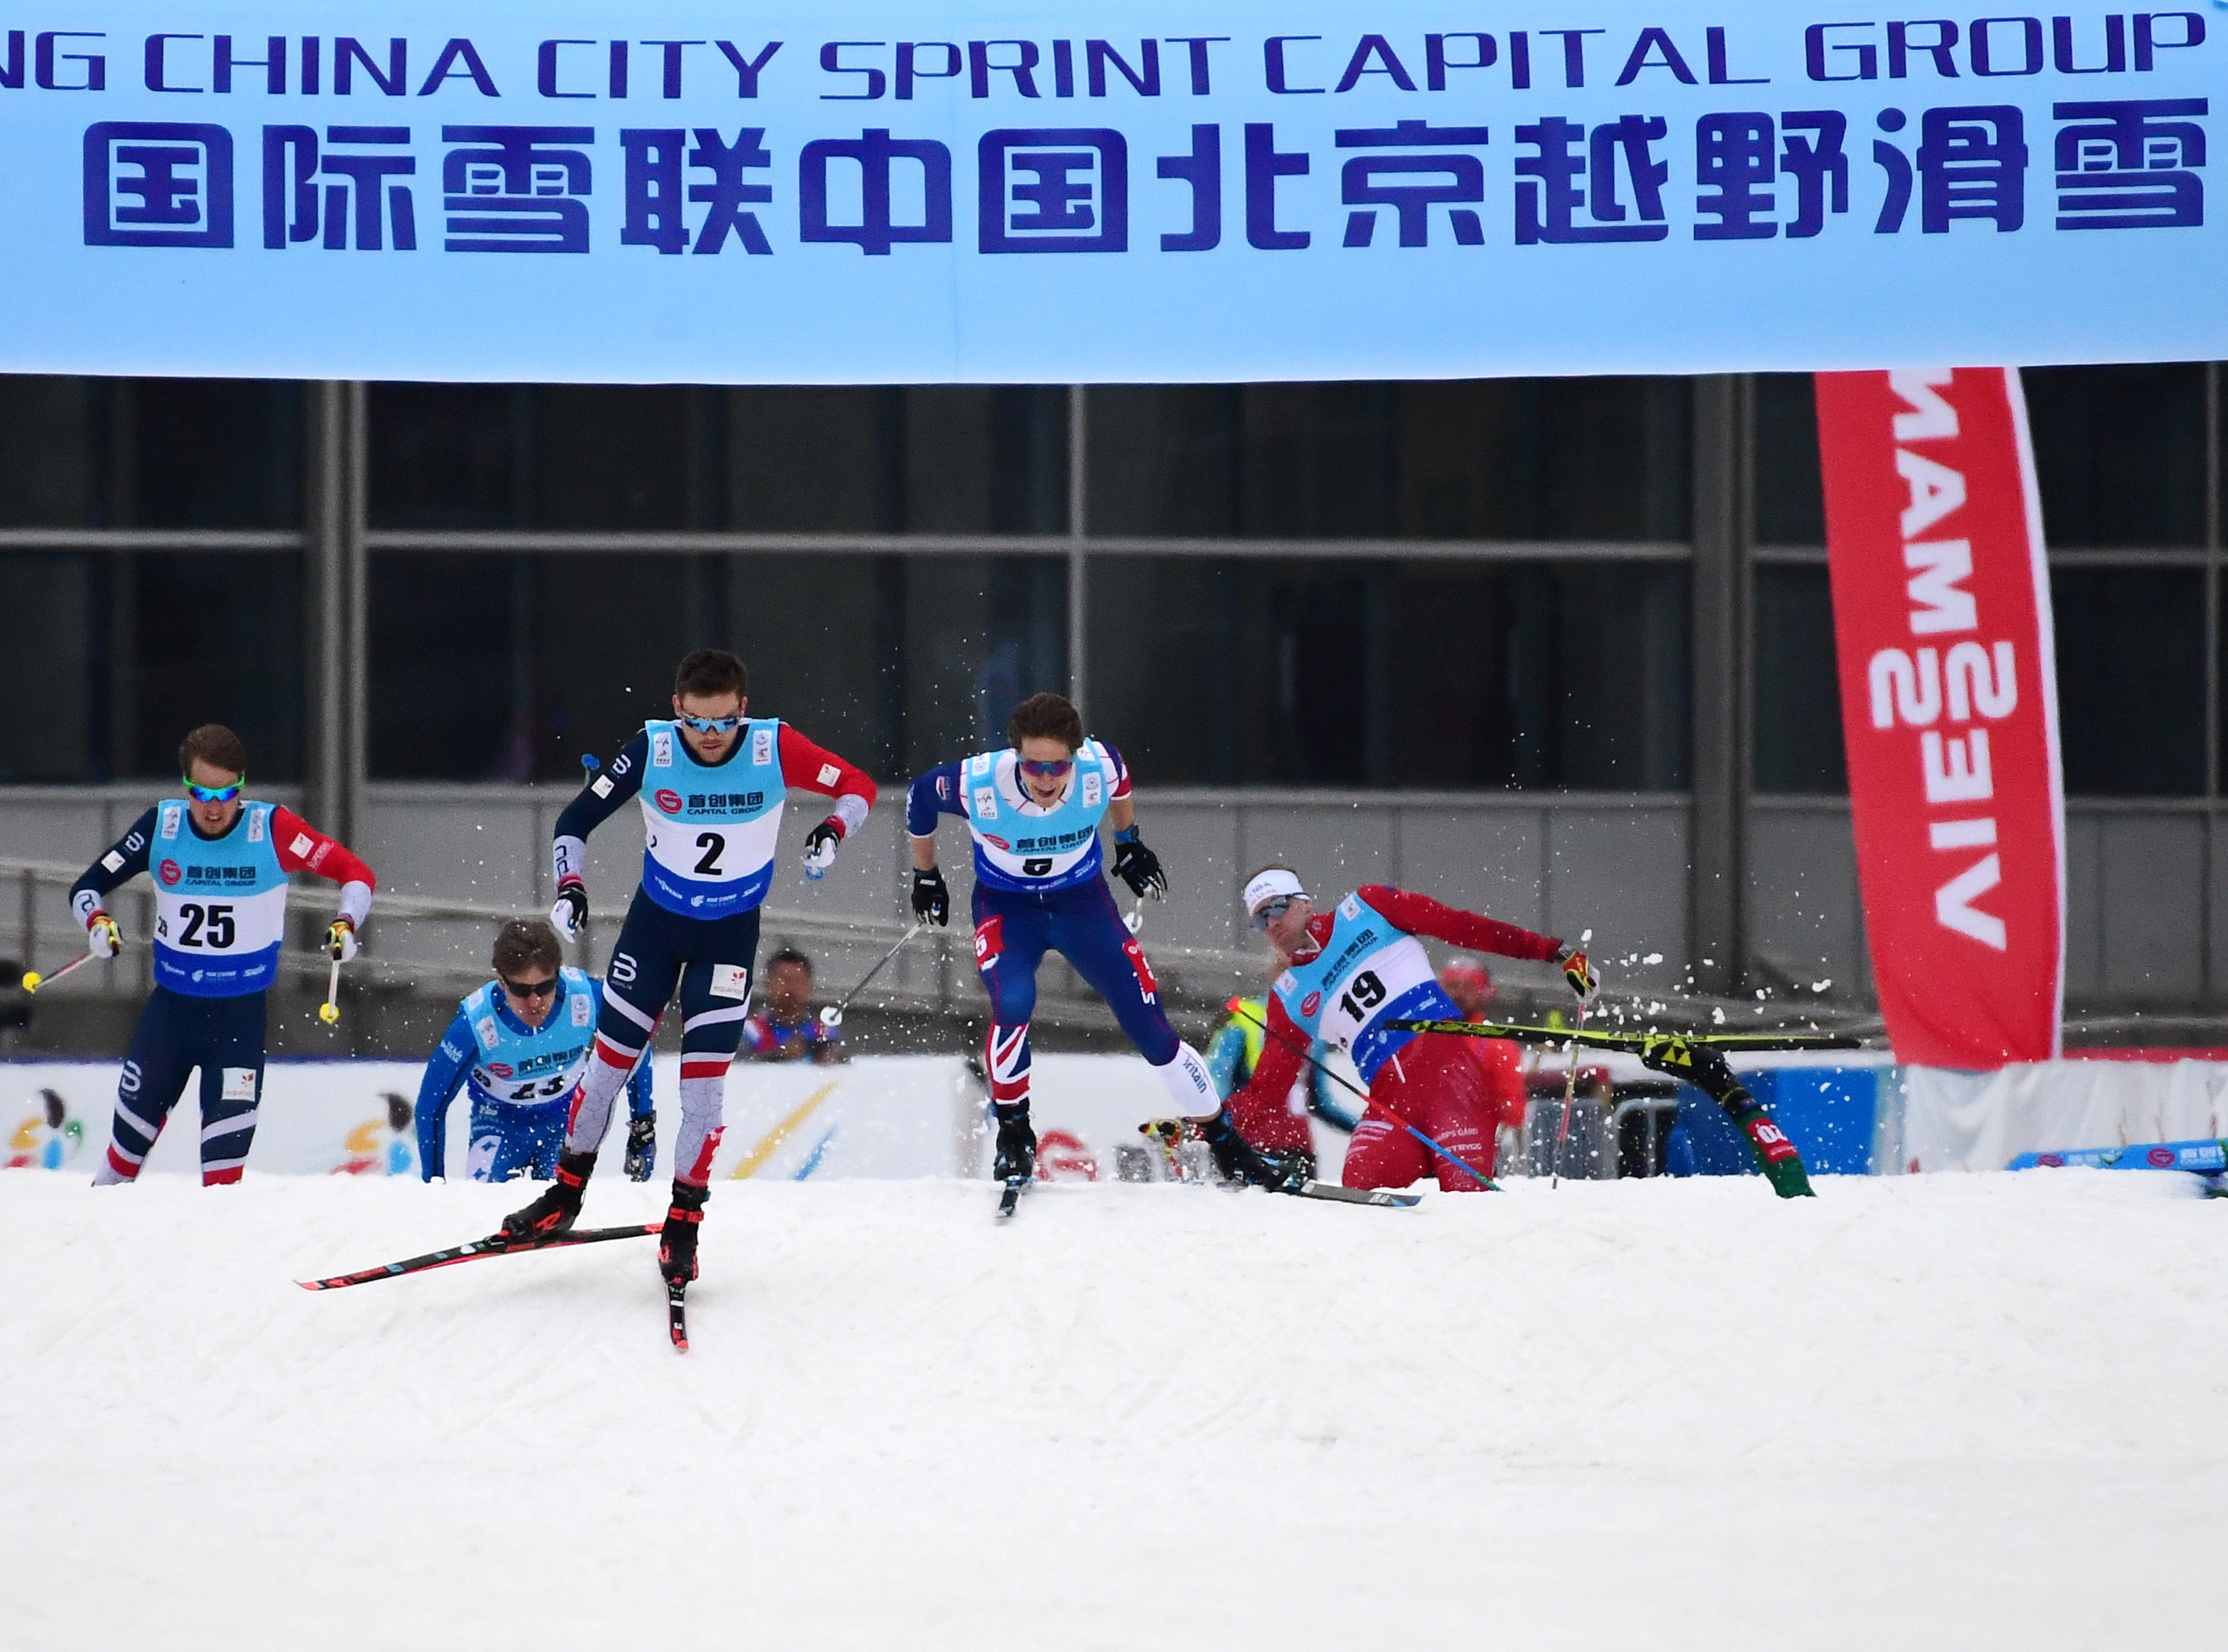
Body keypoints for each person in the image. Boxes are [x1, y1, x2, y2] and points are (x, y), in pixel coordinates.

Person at [499, 649, 876, 1287]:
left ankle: (683, 1226)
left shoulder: (773, 747)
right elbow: (575, 819)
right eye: (697, 721)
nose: (709, 735)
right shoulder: (651, 748)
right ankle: (562, 1199)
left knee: (703, 1094)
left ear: (743, 711)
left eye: (723, 722)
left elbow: (858, 786)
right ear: (677, 709)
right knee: (607, 1069)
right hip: (654, 931)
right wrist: (570, 886)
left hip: (727, 941)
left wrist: (833, 830)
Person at [906, 691, 1221, 1186]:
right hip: (1008, 909)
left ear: (1075, 757)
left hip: (1082, 905)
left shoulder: (1099, 765)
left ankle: (1227, 1144)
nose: (1047, 780)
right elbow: (920, 798)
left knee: (1151, 1027)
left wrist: (1129, 841)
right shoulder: (977, 781)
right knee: (1013, 1001)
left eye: (1058, 767)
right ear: (1016, 756)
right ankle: (1014, 1136)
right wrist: (926, 875)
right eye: (1035, 767)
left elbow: (1121, 783)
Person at [67, 723, 375, 1185]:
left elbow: (356, 872)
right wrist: (97, 922)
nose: (213, 808)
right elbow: (86, 887)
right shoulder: (162, 826)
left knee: (222, 1184)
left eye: (226, 794)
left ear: (241, 787)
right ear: (185, 787)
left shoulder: (273, 829)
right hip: (170, 1018)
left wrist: (346, 922)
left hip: (238, 1024)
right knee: (118, 1166)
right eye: (201, 793)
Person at [1223, 865, 1595, 1193]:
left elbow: (1463, 927)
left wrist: (1553, 951)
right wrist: (1209, 1124)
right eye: (1259, 920)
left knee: (1467, 1204)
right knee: (1362, 1189)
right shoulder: (1289, 997)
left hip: (1455, 1087)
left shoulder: (1369, 908)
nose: (1271, 923)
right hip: (1390, 1107)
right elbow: (1267, 1091)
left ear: (1304, 901)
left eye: (1276, 907)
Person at [415, 918, 656, 1183]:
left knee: (559, 1209)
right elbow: (430, 1106)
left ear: (557, 974)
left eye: (545, 987)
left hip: (564, 1124)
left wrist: (642, 1129)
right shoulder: (477, 1023)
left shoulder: (584, 999)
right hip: (499, 1125)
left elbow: (636, 1048)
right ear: (502, 982)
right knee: (484, 1207)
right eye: (521, 990)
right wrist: (433, 1183)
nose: (535, 1002)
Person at [1437, 959, 1532, 1179]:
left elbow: (1514, 1111)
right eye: (1452, 986)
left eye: (1468, 987)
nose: (1459, 994)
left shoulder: (1499, 1045)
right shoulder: (1421, 1038)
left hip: (1476, 1155)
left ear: (1487, 992)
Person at [742, 947, 841, 1064]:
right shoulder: (751, 1030)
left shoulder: (824, 1032)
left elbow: (849, 1065)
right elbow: (740, 1066)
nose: (791, 987)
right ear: (768, 983)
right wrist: (779, 1055)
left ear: (809, 986)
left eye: (798, 980)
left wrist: (829, 1056)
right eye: (784, 979)